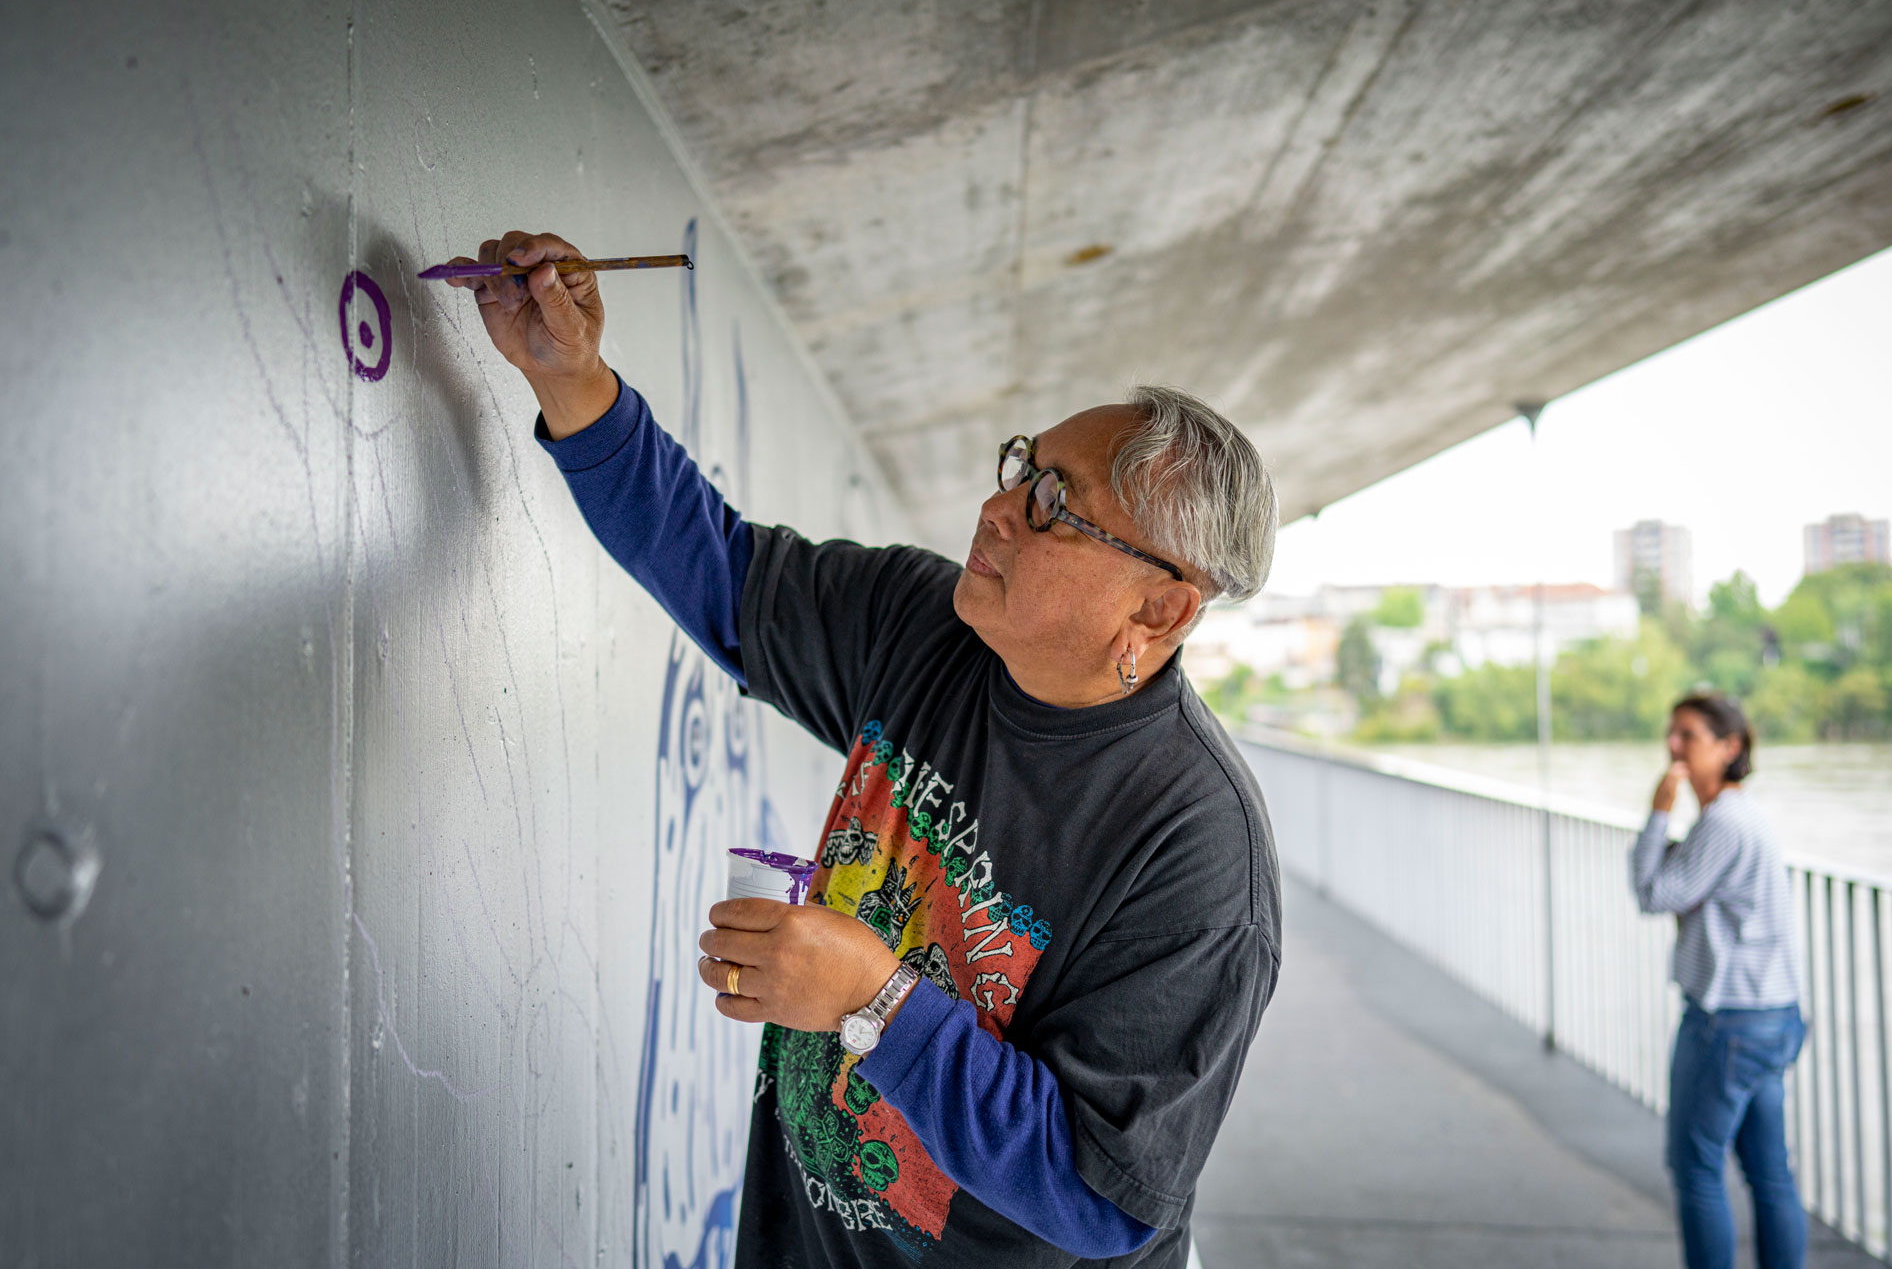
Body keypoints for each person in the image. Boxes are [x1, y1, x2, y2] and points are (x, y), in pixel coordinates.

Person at [445, 232, 1282, 1267]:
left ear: (1158, 606)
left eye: (1055, 505)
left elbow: (1103, 1193)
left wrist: (876, 1000)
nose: (997, 509)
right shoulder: (921, 623)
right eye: (1025, 469)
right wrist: (568, 375)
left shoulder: (1197, 850)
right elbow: (719, 572)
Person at [1632, 692, 1805, 1269]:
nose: (1673, 746)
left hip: (1728, 1020)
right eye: (1671, 733)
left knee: (1696, 1169)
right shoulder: (1739, 816)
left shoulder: (1724, 821)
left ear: (1730, 747)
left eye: (1689, 736)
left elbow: (1654, 892)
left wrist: (1658, 813)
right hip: (1769, 1014)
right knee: (1768, 1172)